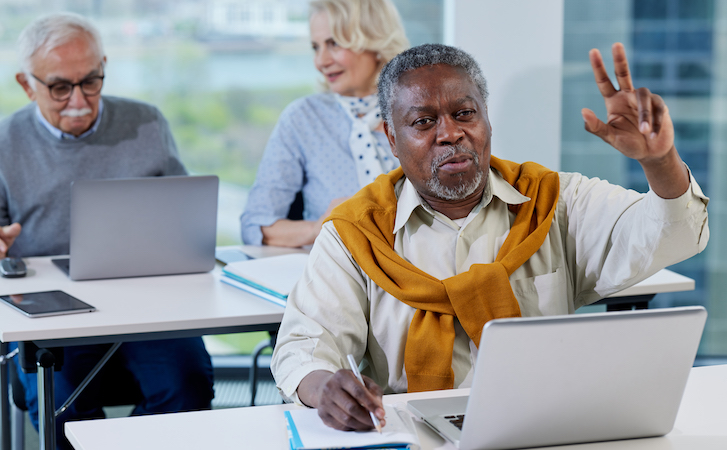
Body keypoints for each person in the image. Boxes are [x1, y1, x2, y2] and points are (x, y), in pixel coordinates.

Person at [270, 43, 709, 431]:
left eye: (464, 113)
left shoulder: (553, 201)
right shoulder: (356, 233)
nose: (450, 133)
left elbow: (673, 234)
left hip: (545, 428)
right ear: (391, 137)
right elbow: (303, 349)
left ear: (486, 119)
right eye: (423, 122)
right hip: (406, 434)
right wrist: (327, 388)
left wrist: (660, 160)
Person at [0, 13, 214, 449]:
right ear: (27, 84)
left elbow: (184, 212)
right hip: (50, 311)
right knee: (58, 401)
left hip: (146, 301)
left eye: (91, 82)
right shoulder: (5, 141)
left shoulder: (146, 123)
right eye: (60, 87)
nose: (79, 100)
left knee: (187, 383)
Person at [239, 0, 409, 248]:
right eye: (315, 47)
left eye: (334, 43)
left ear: (375, 42)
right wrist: (320, 227)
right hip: (334, 275)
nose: (321, 61)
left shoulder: (420, 112)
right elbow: (256, 226)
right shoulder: (303, 119)